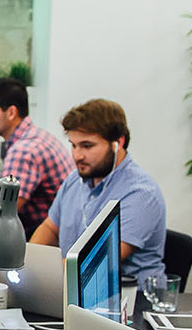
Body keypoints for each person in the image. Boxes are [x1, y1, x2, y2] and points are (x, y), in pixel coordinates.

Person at [29, 98, 166, 284]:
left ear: (118, 143)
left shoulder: (141, 194)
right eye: (73, 145)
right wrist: (28, 264)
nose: (77, 156)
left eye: (87, 146)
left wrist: (37, 275)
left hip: (130, 301)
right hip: (73, 288)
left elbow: (96, 263)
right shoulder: (74, 181)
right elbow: (50, 229)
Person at [0, 78, 73, 235]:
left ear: (12, 113)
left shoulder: (23, 151)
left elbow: (4, 213)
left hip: (41, 235)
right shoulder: (36, 136)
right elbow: (10, 191)